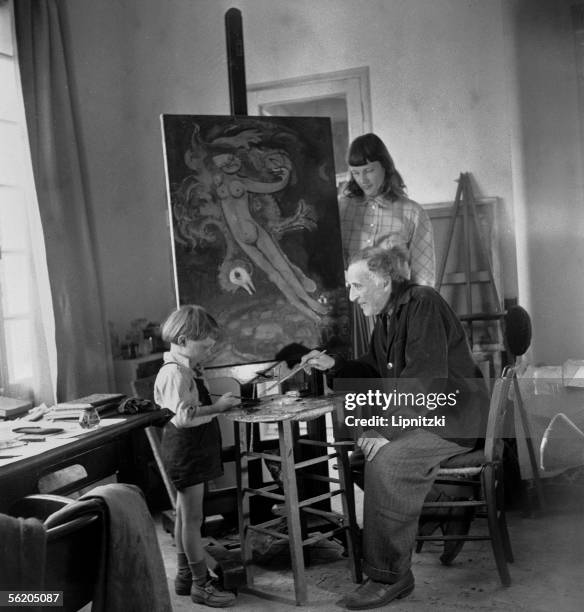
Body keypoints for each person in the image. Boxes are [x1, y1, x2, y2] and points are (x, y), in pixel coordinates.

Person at [302, 246, 488, 610]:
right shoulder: (387, 314)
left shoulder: (423, 303)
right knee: (355, 451)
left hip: (452, 419)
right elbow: (372, 368)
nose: (353, 297)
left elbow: (422, 382)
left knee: (385, 460)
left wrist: (384, 431)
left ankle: (391, 576)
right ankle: (443, 506)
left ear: (384, 281)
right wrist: (333, 364)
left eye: (357, 287)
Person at [154, 305, 240, 608]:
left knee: (184, 516)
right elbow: (183, 418)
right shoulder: (174, 373)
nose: (209, 347)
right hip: (187, 451)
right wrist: (218, 408)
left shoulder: (186, 369)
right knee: (192, 520)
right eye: (204, 343)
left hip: (192, 450)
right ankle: (201, 585)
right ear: (181, 339)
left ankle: (184, 576)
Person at [339, 133, 436, 355]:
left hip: (395, 312)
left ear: (385, 166)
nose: (363, 179)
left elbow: (424, 278)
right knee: (357, 376)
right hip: (353, 311)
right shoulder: (342, 209)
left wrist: (413, 323)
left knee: (391, 377)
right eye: (356, 173)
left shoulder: (412, 213)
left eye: (369, 170)